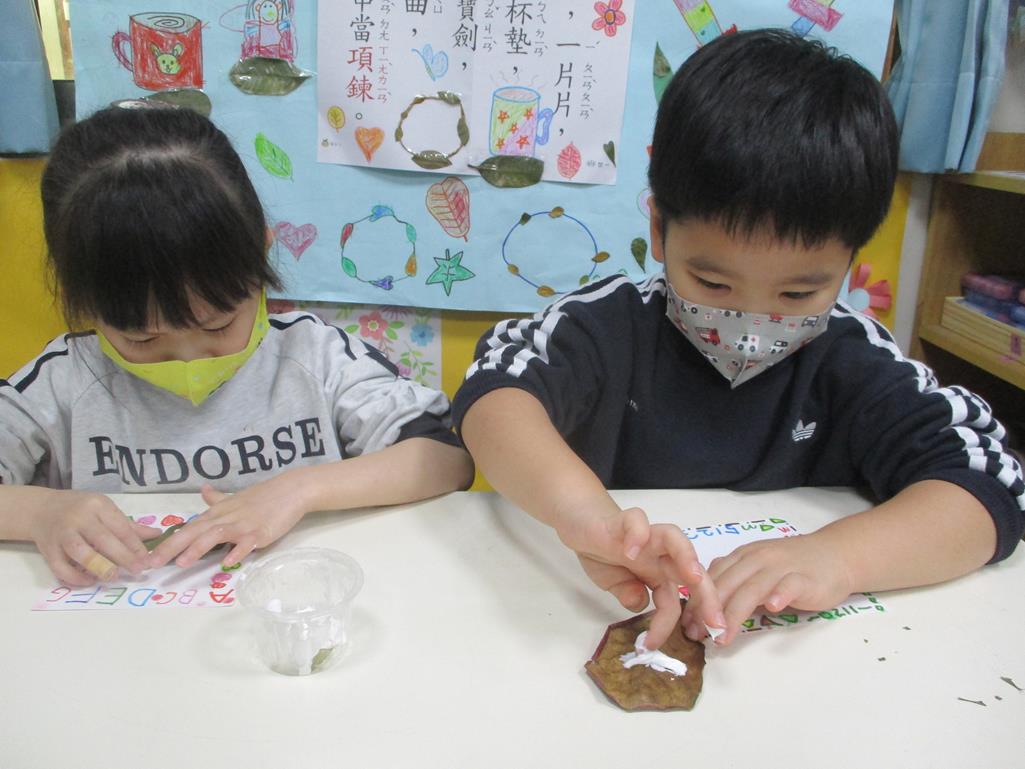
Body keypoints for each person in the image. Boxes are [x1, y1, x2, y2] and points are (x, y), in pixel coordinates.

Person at [453, 29, 1025, 650]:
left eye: (797, 294)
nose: (752, 327)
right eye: (713, 283)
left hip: (801, 657)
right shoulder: (606, 326)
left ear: (850, 260)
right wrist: (586, 516)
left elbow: (986, 486)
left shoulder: (855, 358)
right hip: (587, 623)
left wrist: (841, 558)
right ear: (659, 229)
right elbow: (495, 398)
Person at [0, 104, 473, 586]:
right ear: (83, 298)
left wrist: (298, 491)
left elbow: (445, 458)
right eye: (142, 338)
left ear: (260, 253)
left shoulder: (315, 356)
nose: (189, 357)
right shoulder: (63, 381)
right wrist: (41, 513)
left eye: (219, 325)